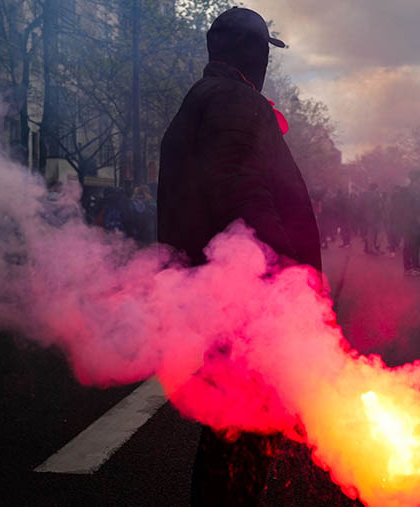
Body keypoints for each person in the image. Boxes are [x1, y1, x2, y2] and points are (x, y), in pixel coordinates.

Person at [157, 7, 321, 505]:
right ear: (250, 52)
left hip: (216, 290)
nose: (266, 62)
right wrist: (287, 280)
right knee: (248, 430)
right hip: (245, 298)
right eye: (264, 50)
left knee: (228, 429)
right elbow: (244, 194)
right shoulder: (234, 102)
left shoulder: (204, 100)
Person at [391, 174, 420, 276]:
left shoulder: (417, 192)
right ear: (414, 181)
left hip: (417, 223)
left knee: (417, 245)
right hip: (408, 223)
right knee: (409, 245)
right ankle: (408, 268)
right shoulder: (405, 192)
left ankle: (416, 267)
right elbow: (403, 208)